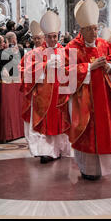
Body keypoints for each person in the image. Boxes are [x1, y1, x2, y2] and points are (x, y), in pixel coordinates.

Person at [58, 0, 111, 181]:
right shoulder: (72, 47)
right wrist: (89, 67)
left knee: (102, 131)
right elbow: (64, 74)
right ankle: (86, 169)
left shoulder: (104, 45)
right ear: (82, 30)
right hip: (82, 100)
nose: (95, 33)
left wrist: (108, 68)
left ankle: (101, 169)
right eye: (91, 29)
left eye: (96, 28)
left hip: (102, 98)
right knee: (85, 131)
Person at [21, 11, 71, 164]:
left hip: (60, 93)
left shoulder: (65, 52)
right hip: (42, 94)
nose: (52, 39)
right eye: (49, 36)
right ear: (45, 36)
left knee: (59, 122)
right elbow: (26, 72)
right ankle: (45, 151)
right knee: (44, 123)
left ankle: (59, 149)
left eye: (55, 36)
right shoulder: (36, 52)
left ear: (58, 36)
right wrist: (44, 66)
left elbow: (73, 69)